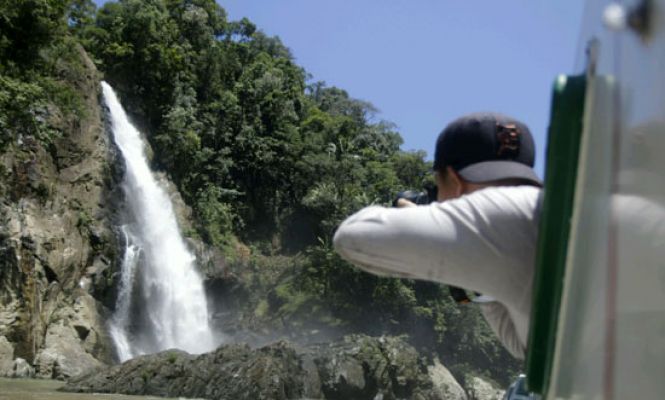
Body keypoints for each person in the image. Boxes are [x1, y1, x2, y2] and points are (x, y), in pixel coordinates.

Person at [333, 112, 543, 359]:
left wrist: (429, 212)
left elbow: (351, 237)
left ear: (454, 181)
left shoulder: (498, 218)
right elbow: (523, 347)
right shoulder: (544, 215)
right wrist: (475, 273)